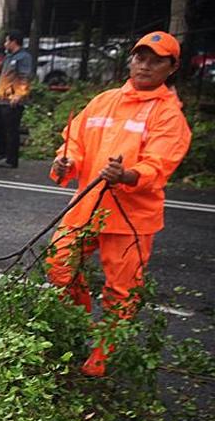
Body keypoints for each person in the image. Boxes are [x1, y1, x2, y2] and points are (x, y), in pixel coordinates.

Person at [44, 31, 192, 377]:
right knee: (59, 265)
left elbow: (159, 164)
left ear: (172, 68)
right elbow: (74, 142)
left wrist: (127, 175)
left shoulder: (169, 116)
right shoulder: (103, 101)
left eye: (156, 61)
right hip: (86, 207)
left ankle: (101, 353)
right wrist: (65, 162)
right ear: (131, 60)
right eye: (141, 57)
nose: (145, 65)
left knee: (121, 291)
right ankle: (79, 324)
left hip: (131, 218)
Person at [0, 30, 33, 169]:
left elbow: (25, 78)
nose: (5, 44)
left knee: (11, 130)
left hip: (12, 100)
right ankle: (2, 152)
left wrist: (19, 94)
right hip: (1, 98)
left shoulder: (24, 57)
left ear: (13, 42)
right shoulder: (9, 57)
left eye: (7, 41)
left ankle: (11, 159)